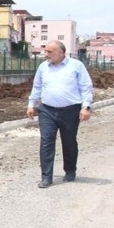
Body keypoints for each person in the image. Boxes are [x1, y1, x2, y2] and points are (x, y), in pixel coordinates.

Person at [26, 40, 93, 188]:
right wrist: (31, 104)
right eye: (46, 51)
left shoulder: (76, 66)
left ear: (61, 53)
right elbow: (37, 87)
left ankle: (70, 170)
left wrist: (86, 107)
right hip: (47, 110)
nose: (46, 54)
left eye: (50, 52)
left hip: (70, 110)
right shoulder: (43, 67)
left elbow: (86, 87)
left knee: (69, 141)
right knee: (46, 142)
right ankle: (46, 176)